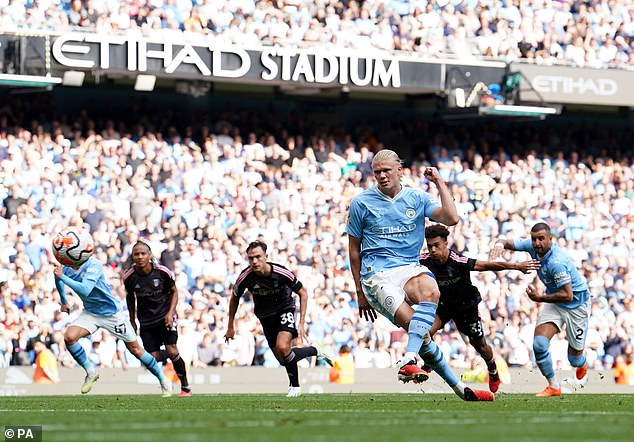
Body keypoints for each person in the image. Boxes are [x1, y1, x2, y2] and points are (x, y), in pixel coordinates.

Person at [346, 148, 494, 401]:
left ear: (399, 171)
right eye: (377, 172)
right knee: (422, 334)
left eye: (386, 171)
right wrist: (359, 291)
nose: (382, 176)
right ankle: (460, 388)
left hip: (408, 268)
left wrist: (439, 182)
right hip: (377, 275)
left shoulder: (417, 198)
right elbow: (353, 249)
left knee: (431, 291)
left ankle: (409, 359)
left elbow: (451, 218)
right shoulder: (361, 203)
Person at [419, 224, 540, 392]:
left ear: (446, 243)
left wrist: (517, 266)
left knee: (479, 345)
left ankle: (492, 369)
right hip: (443, 306)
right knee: (423, 332)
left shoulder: (457, 261)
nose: (432, 250)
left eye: (436, 245)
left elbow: (488, 265)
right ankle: (430, 363)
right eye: (429, 246)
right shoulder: (423, 260)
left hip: (465, 307)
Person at [53, 245, 171, 396]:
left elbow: (85, 289)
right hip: (90, 312)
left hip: (111, 314)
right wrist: (64, 301)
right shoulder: (66, 268)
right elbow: (58, 281)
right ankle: (90, 371)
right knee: (69, 337)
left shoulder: (93, 264)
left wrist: (62, 276)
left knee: (135, 349)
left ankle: (163, 380)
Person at [493, 222, 590, 397]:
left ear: (550, 239)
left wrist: (539, 298)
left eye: (541, 239)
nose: (537, 243)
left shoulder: (557, 261)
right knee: (539, 345)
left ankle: (582, 363)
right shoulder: (532, 247)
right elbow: (507, 242)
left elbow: (567, 295)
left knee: (574, 359)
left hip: (576, 305)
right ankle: (554, 386)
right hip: (554, 301)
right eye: (534, 239)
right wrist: (499, 246)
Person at [225, 240, 333, 398]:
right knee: (284, 359)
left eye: (257, 257)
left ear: (266, 256)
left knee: (283, 347)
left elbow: (302, 292)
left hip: (284, 310)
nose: (254, 261)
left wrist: (301, 322)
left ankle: (295, 387)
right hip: (265, 318)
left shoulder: (281, 273)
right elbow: (234, 299)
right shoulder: (245, 277)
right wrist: (230, 327)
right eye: (250, 258)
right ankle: (315, 350)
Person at [123, 241, 192, 397]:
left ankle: (185, 386)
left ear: (149, 255)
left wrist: (170, 313)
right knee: (152, 358)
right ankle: (174, 356)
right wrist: (132, 320)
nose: (140, 257)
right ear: (133, 257)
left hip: (165, 317)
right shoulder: (129, 277)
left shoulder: (162, 272)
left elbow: (174, 292)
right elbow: (130, 298)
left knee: (171, 349)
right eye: (136, 254)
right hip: (146, 320)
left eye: (143, 253)